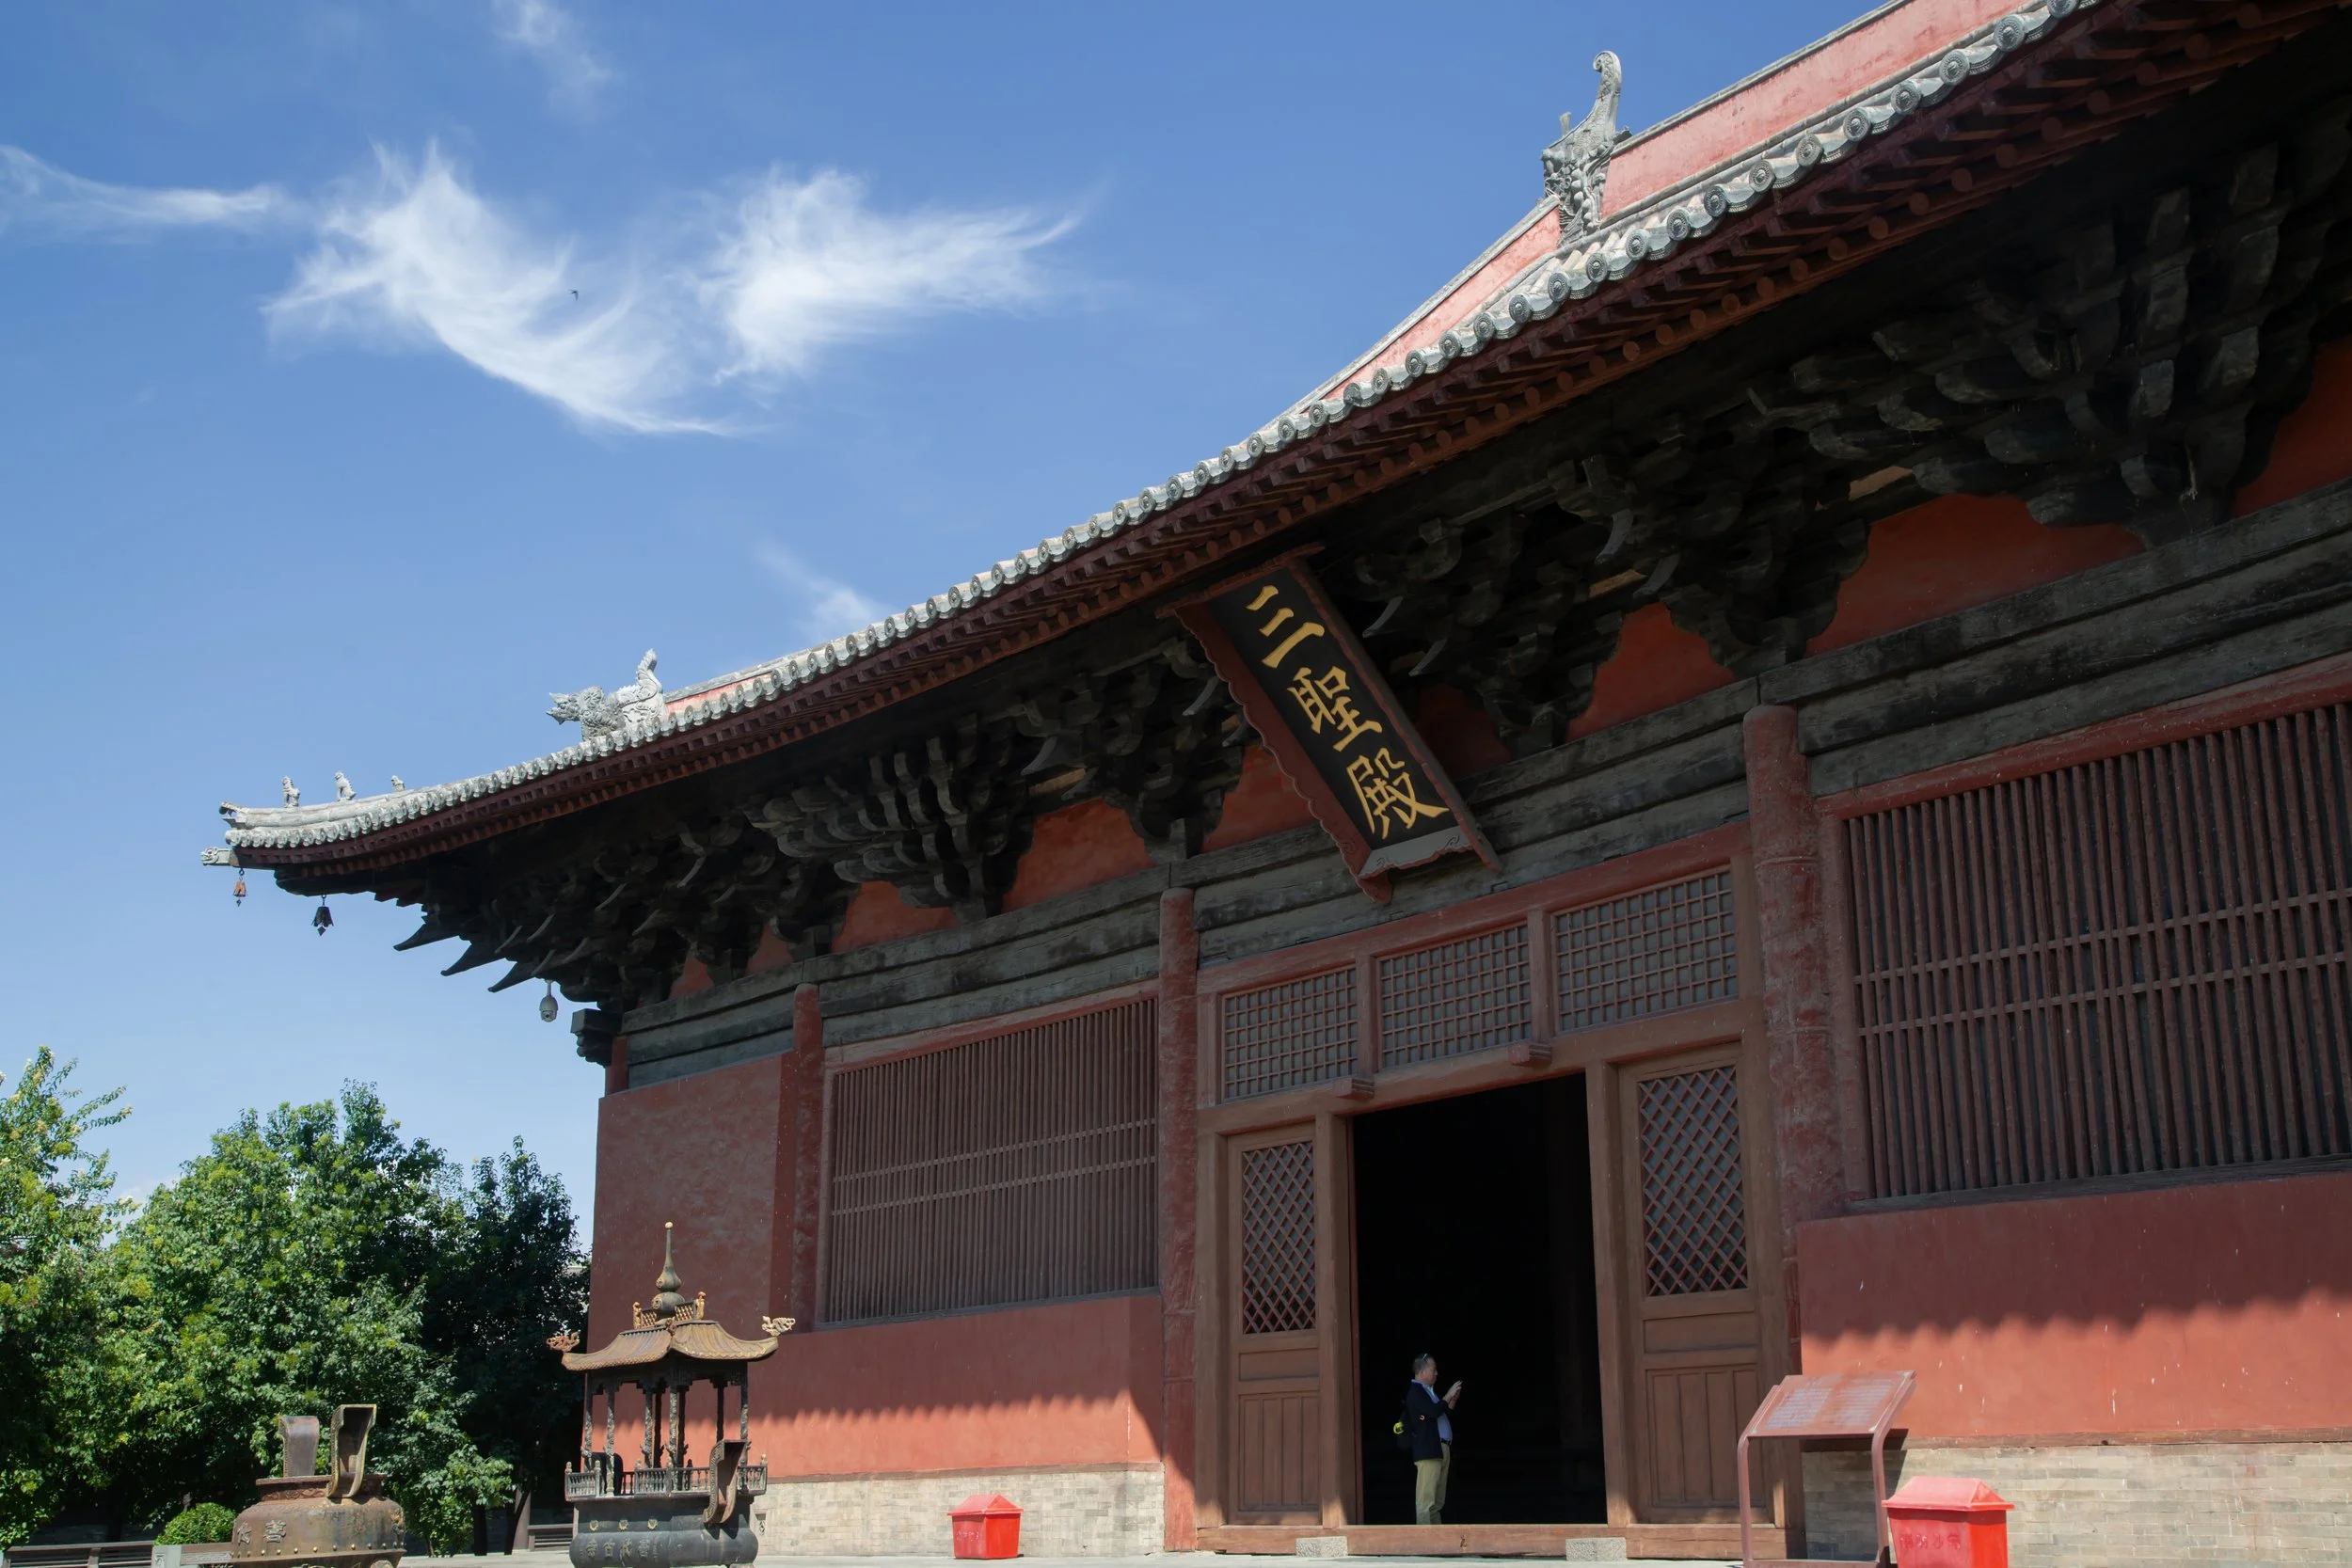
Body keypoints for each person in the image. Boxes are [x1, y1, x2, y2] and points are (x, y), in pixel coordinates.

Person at [1401, 1353, 1462, 1525]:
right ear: (1422, 1372)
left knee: (1436, 1502)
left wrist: (1452, 1400)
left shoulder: (1428, 1392)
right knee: (1426, 1502)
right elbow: (1434, 1411)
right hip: (1429, 1451)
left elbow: (1442, 1413)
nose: (1436, 1373)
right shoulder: (1416, 1392)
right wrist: (1448, 1395)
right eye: (1433, 1370)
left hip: (1441, 1449)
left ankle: (1436, 1542)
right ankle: (1425, 1543)